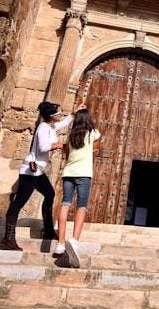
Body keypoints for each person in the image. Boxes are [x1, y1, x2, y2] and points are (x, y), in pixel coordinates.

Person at [0, 101, 73, 251]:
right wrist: (58, 145)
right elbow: (43, 147)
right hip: (30, 171)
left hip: (38, 171)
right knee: (19, 202)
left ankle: (48, 230)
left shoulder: (51, 127)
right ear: (52, 115)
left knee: (50, 194)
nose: (61, 114)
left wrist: (75, 113)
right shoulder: (43, 128)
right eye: (59, 112)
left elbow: (64, 123)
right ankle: (8, 239)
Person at [54, 104, 100, 267]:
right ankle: (74, 240)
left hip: (69, 173)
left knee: (65, 204)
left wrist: (75, 113)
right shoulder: (91, 134)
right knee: (81, 205)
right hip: (84, 174)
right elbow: (97, 133)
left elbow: (67, 153)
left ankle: (60, 243)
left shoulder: (71, 137)